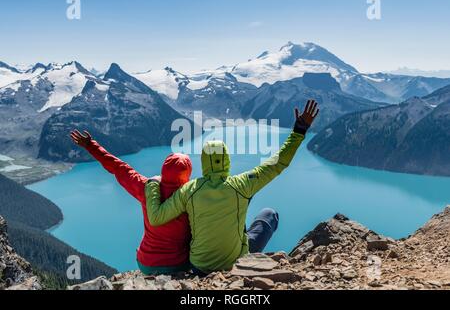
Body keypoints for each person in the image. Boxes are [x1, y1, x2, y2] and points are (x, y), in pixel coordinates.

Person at [145, 100, 319, 274]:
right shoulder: (241, 184)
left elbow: (157, 217)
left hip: (199, 266)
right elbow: (278, 163)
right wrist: (299, 131)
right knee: (269, 214)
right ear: (227, 159)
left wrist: (152, 184)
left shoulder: (189, 190)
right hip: (235, 262)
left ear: (204, 161)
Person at [70, 130, 193, 275]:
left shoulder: (147, 187)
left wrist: (91, 145)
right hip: (178, 265)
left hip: (147, 264)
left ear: (164, 168)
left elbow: (118, 167)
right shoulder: (192, 195)